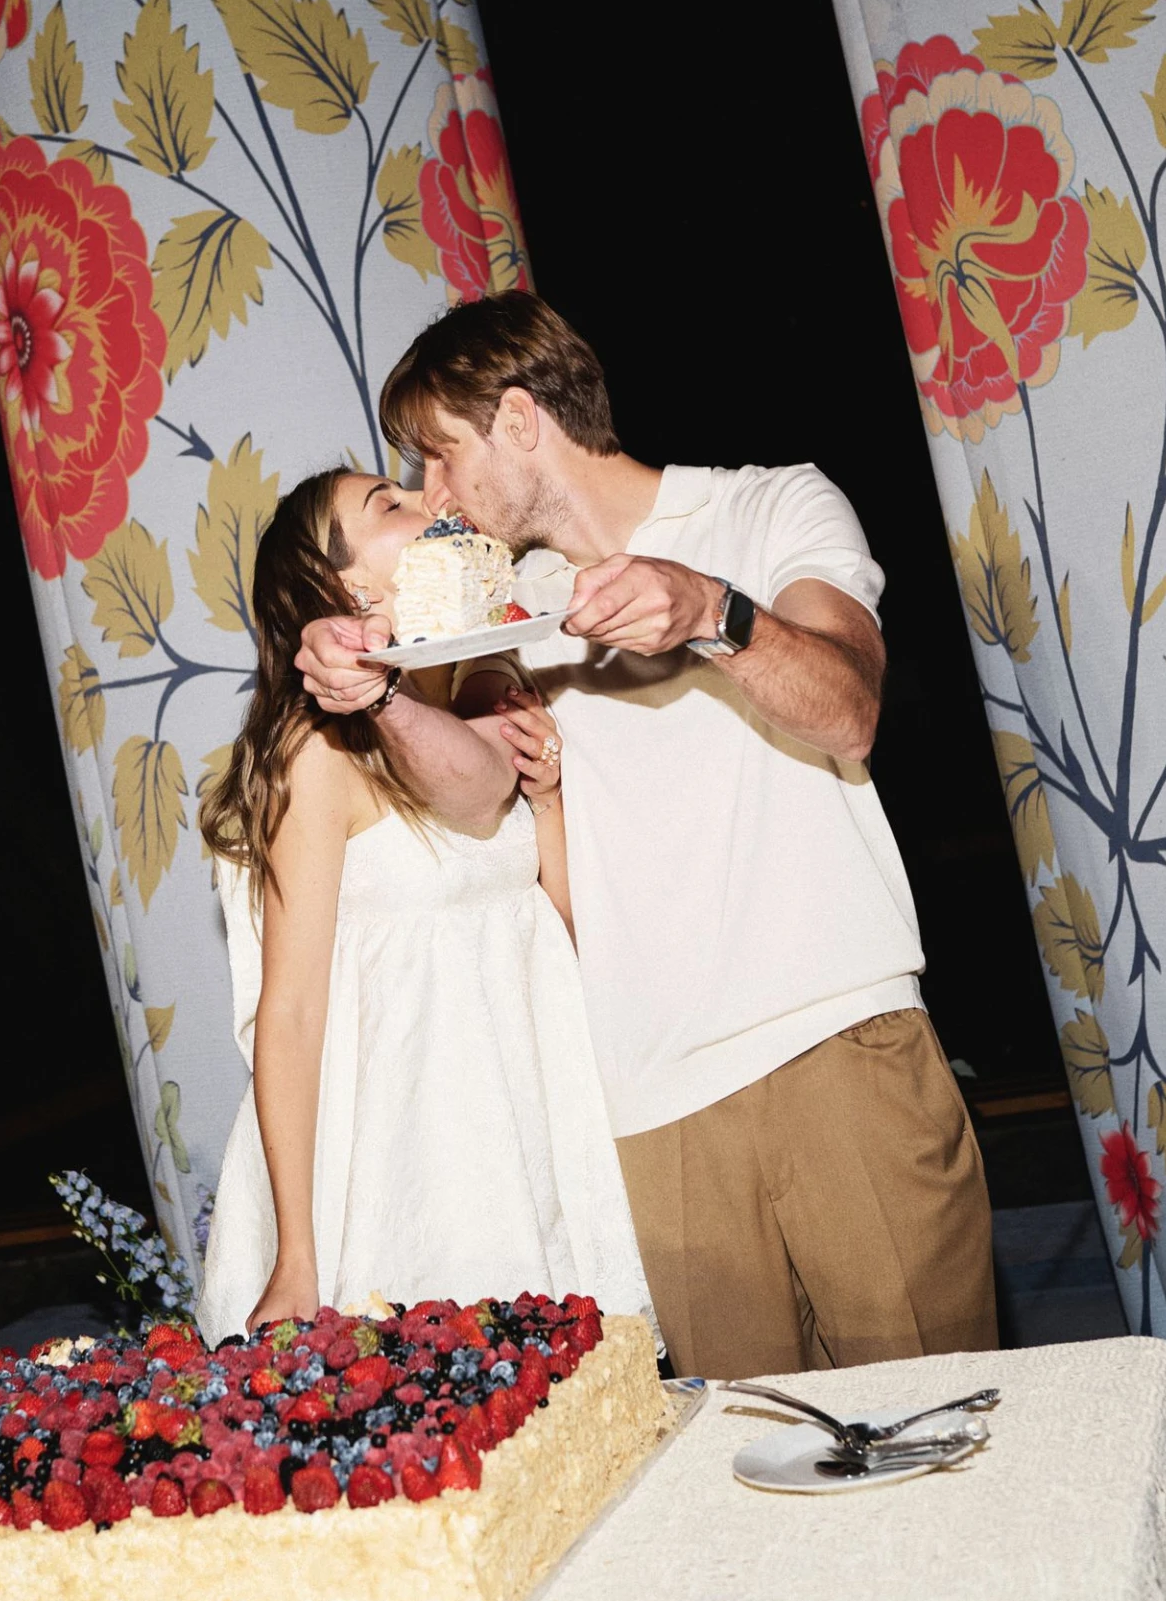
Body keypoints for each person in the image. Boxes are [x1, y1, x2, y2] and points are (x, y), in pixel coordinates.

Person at [295, 293, 998, 1378]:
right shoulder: (503, 610)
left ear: (519, 420)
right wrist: (364, 679)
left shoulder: (768, 508)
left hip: (832, 1045)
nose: (432, 495)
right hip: (649, 1107)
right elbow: (476, 808)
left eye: (439, 456)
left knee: (933, 1419)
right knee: (736, 1465)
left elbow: (849, 709)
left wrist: (716, 613)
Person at [194, 465, 650, 1347]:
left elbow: (553, 936)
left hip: (530, 1122)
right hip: (404, 1150)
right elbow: (290, 1011)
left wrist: (549, 799)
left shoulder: (485, 683)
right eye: (390, 505)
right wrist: (298, 1254)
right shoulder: (316, 751)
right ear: (344, 589)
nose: (429, 504)